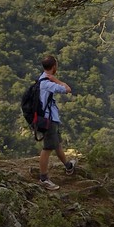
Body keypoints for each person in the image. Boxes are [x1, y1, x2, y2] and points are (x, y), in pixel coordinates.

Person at [36, 55, 74, 190]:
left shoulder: (41, 79)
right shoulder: (47, 83)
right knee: (47, 148)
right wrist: (56, 79)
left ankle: (68, 166)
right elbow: (67, 89)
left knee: (56, 144)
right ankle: (43, 178)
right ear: (54, 67)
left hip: (50, 118)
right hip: (48, 120)